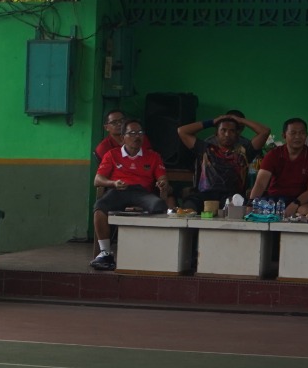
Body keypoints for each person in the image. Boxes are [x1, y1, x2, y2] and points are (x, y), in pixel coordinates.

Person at [89, 118, 169, 271]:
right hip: (118, 190)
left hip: (142, 193)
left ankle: (151, 250)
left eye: (140, 133)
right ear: (122, 137)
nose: (137, 136)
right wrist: (113, 183)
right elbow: (98, 180)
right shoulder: (112, 154)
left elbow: (162, 178)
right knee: (100, 207)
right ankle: (105, 252)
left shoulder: (153, 156)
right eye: (132, 133)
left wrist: (162, 183)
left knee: (159, 205)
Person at [249, 117, 308, 217]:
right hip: (275, 200)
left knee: (306, 210)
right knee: (258, 208)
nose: (298, 137)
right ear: (284, 135)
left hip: (301, 201)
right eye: (293, 133)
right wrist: (251, 203)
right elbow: (260, 184)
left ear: (306, 135)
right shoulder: (273, 155)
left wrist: (295, 203)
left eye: (302, 133)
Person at [173, 114, 251, 209]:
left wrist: (242, 121)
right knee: (189, 205)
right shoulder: (206, 149)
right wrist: (212, 122)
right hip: (205, 195)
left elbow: (264, 132)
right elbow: (182, 131)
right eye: (223, 130)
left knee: (236, 206)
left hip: (230, 196)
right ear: (216, 134)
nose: (227, 134)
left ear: (237, 135)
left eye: (232, 131)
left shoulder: (243, 153)